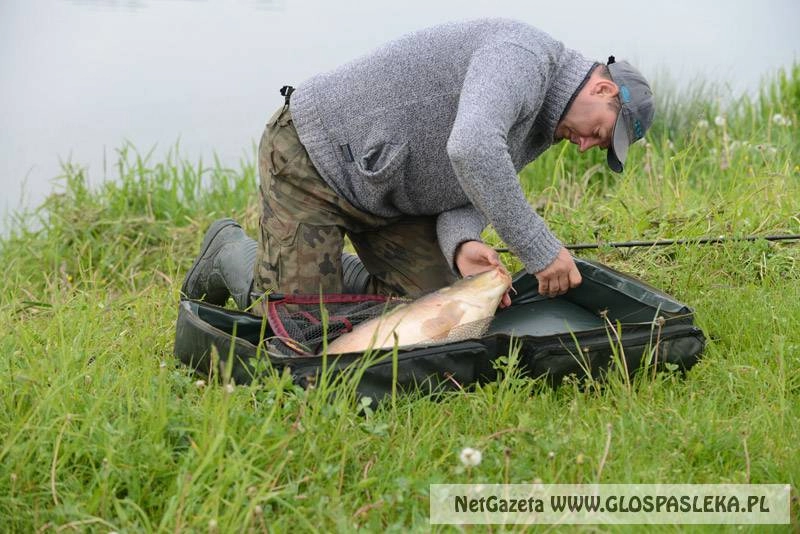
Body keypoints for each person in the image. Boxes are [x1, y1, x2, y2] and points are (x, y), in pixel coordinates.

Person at [181, 18, 654, 311]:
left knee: (441, 309)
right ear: (603, 90)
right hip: (312, 159)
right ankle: (229, 251)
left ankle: (319, 264)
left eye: (604, 148)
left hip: (387, 199)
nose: (591, 146)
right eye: (604, 132)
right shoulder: (524, 56)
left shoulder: (546, 125)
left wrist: (463, 243)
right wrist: (542, 250)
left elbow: (467, 186)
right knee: (298, 323)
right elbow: (472, 148)